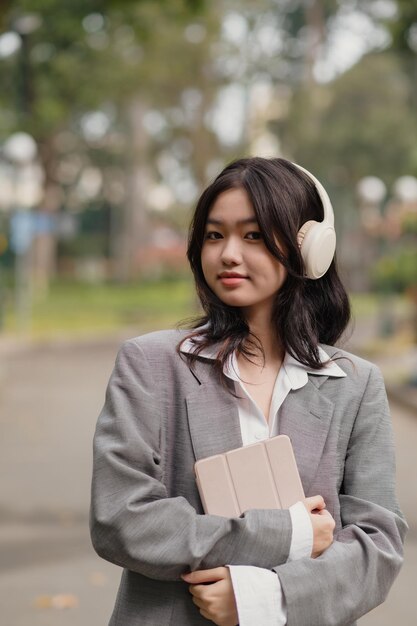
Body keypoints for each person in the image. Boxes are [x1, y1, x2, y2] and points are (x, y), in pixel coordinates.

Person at [90, 157, 407, 626]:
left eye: (253, 235)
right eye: (215, 235)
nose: (229, 254)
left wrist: (266, 597)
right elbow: (121, 520)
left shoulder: (356, 386)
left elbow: (377, 548)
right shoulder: (151, 364)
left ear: (309, 248)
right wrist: (291, 534)